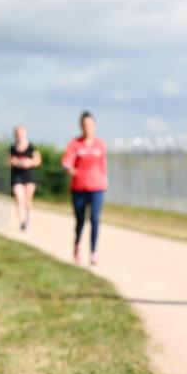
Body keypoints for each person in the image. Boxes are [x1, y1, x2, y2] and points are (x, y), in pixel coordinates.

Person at [61, 111, 108, 265]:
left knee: (95, 218)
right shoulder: (75, 144)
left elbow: (103, 165)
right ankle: (77, 245)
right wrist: (70, 169)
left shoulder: (100, 144)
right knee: (80, 220)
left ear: (94, 126)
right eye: (85, 125)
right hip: (79, 188)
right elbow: (67, 161)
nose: (88, 127)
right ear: (81, 126)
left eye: (90, 124)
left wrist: (104, 182)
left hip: (97, 187)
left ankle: (93, 252)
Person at [9, 125, 42, 231]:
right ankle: (22, 222)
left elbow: (38, 161)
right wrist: (16, 162)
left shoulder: (32, 147)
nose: (20, 135)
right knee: (19, 198)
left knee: (27, 200)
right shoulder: (12, 148)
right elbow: (8, 160)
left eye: (21, 133)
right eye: (18, 133)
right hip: (17, 175)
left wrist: (29, 162)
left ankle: (27, 219)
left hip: (29, 175)